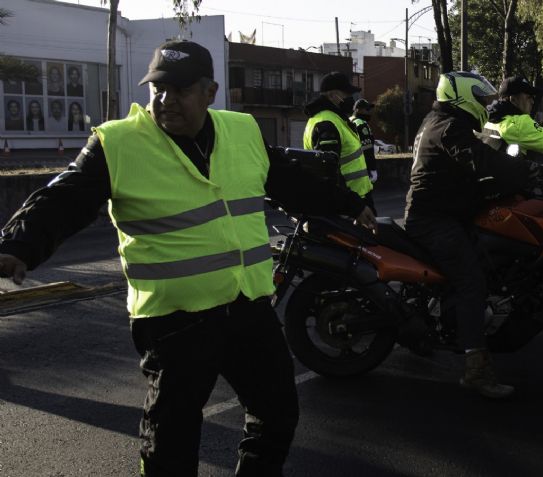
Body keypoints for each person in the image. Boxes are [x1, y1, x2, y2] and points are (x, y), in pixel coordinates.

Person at [0, 39, 376, 476]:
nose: (165, 100)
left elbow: (289, 181)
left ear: (210, 91)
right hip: (174, 320)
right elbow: (62, 199)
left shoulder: (241, 131)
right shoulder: (118, 143)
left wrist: (349, 204)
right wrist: (16, 246)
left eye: (179, 90)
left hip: (246, 305)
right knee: (172, 439)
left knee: (277, 414)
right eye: (157, 89)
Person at [404, 71, 535, 399]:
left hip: (444, 213)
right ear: (462, 97)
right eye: (480, 99)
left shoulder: (442, 121)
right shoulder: (449, 128)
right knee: (471, 282)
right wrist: (527, 170)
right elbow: (481, 160)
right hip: (433, 219)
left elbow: (475, 163)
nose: (485, 105)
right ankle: (476, 370)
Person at [303, 72, 375, 212]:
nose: (350, 99)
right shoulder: (327, 123)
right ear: (332, 95)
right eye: (346, 95)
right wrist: (355, 207)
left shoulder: (333, 119)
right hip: (349, 205)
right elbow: (328, 173)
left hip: (354, 199)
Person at [349, 98, 379, 197]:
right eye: (366, 110)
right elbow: (367, 148)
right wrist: (372, 168)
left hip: (350, 167)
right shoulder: (361, 124)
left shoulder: (349, 120)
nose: (368, 112)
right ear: (358, 110)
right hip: (363, 169)